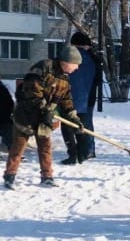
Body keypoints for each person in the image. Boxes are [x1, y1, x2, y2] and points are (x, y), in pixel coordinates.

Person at [3, 46, 84, 190]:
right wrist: (45, 110)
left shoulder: (64, 79)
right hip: (26, 115)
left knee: (45, 148)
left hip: (44, 119)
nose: (77, 68)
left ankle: (47, 177)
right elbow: (31, 91)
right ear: (67, 61)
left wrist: (74, 119)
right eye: (76, 65)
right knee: (17, 148)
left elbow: (66, 101)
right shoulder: (43, 68)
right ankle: (10, 176)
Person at [60, 32, 98, 165]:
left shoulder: (74, 56)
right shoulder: (93, 57)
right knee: (85, 125)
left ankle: (77, 153)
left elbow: (71, 78)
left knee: (69, 126)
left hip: (73, 98)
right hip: (89, 97)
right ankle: (87, 150)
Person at [0, 77, 14, 152]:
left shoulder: (3, 88)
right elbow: (10, 103)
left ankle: (11, 150)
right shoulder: (3, 88)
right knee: (8, 130)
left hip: (4, 118)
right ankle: (12, 151)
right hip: (5, 119)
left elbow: (10, 103)